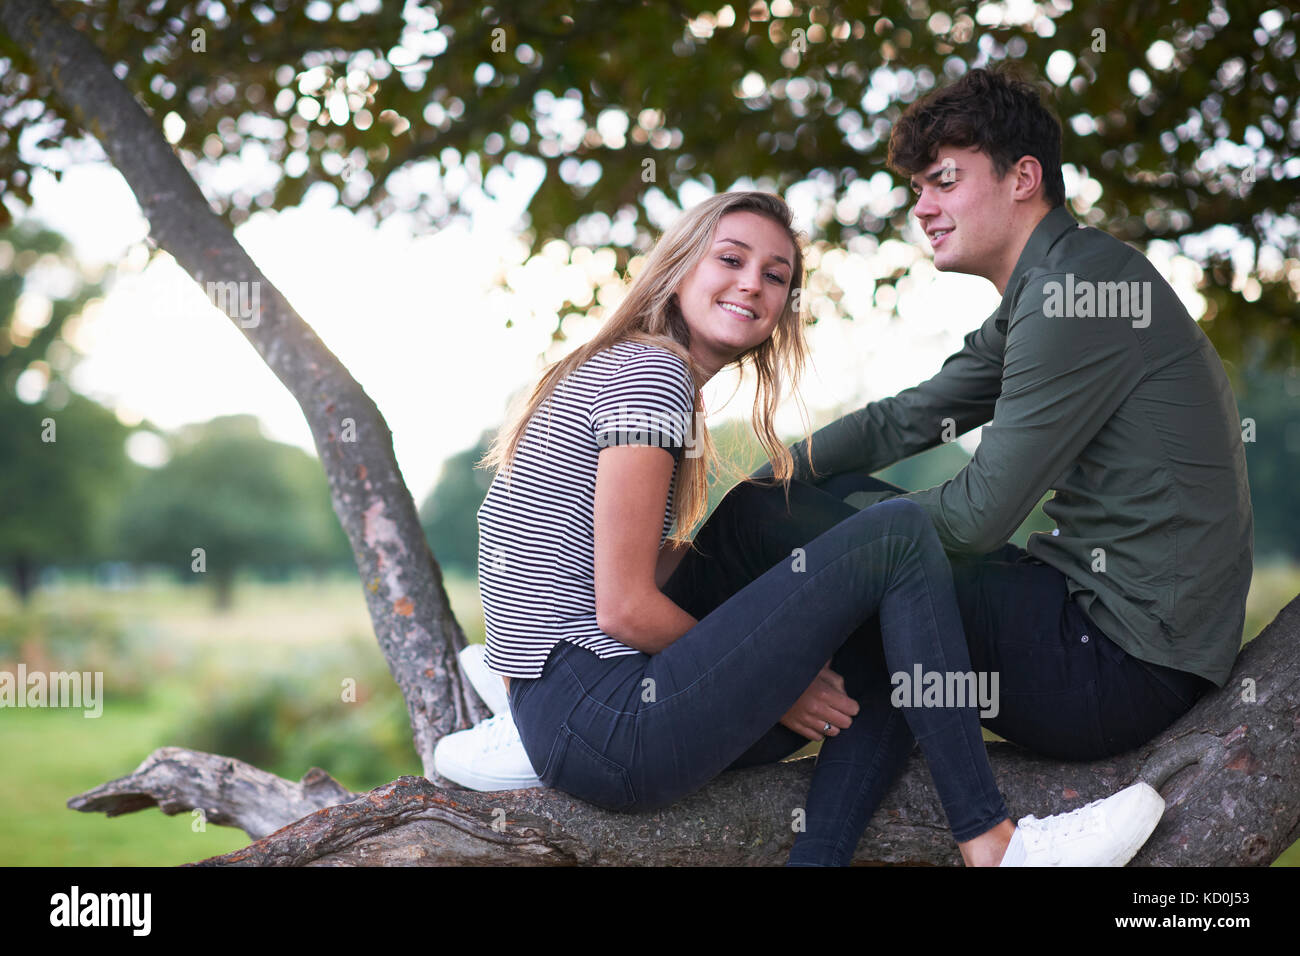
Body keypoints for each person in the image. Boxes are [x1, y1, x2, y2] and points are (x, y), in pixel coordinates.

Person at [434, 188, 1168, 867]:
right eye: (731, 259)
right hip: (607, 720)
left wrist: (791, 607)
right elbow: (624, 605)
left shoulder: (634, 372)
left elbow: (589, 564)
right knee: (897, 533)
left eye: (776, 275)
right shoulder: (649, 377)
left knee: (842, 589)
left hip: (575, 700)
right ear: (679, 268)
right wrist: (777, 686)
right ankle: (992, 842)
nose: (753, 283)